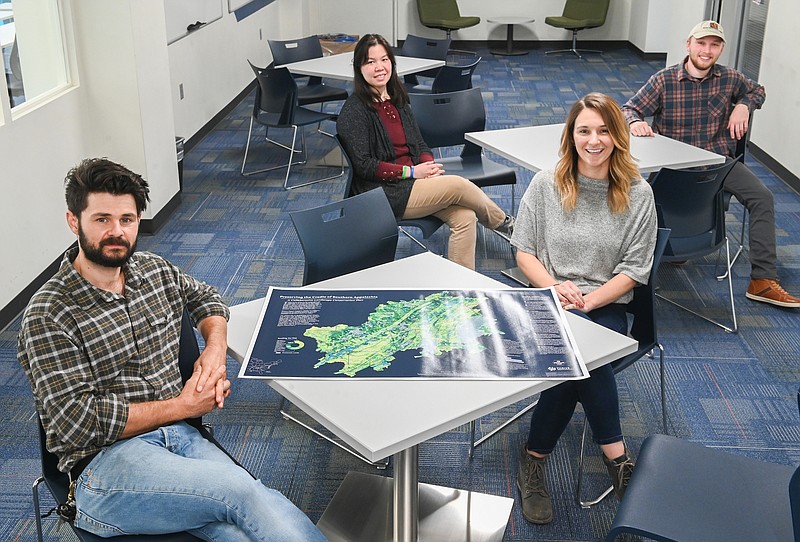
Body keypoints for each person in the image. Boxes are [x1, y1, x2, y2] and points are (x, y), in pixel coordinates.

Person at [18, 158, 327, 541]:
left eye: (127, 220)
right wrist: (184, 406)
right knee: (243, 492)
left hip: (181, 440)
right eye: (102, 220)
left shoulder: (153, 271)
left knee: (235, 529)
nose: (117, 232)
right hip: (103, 469)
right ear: (73, 221)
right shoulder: (50, 313)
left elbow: (208, 300)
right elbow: (76, 422)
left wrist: (214, 352)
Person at [511, 93, 657, 524]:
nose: (594, 140)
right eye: (584, 131)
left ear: (618, 135)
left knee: (577, 350)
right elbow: (524, 252)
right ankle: (618, 459)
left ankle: (533, 457)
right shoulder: (546, 184)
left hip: (605, 302)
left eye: (604, 130)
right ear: (571, 136)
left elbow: (633, 270)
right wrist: (556, 288)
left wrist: (587, 301)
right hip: (547, 298)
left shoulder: (638, 193)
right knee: (579, 345)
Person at [622, 20, 799, 309]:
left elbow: (758, 91)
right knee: (632, 201)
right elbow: (628, 108)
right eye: (701, 43)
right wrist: (636, 121)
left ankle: (762, 280)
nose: (707, 50)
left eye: (714, 45)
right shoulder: (664, 80)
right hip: (675, 169)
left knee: (763, 197)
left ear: (721, 49)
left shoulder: (730, 78)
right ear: (688, 44)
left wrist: (744, 105)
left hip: (718, 164)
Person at [336, 33, 514, 270]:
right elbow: (365, 166)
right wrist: (412, 172)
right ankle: (508, 225)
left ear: (392, 61)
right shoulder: (354, 111)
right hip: (384, 194)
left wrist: (429, 167)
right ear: (359, 68)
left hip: (415, 183)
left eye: (384, 59)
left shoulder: (397, 98)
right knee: (459, 185)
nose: (379, 67)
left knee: (465, 217)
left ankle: (460, 287)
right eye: (370, 62)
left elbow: (419, 144)